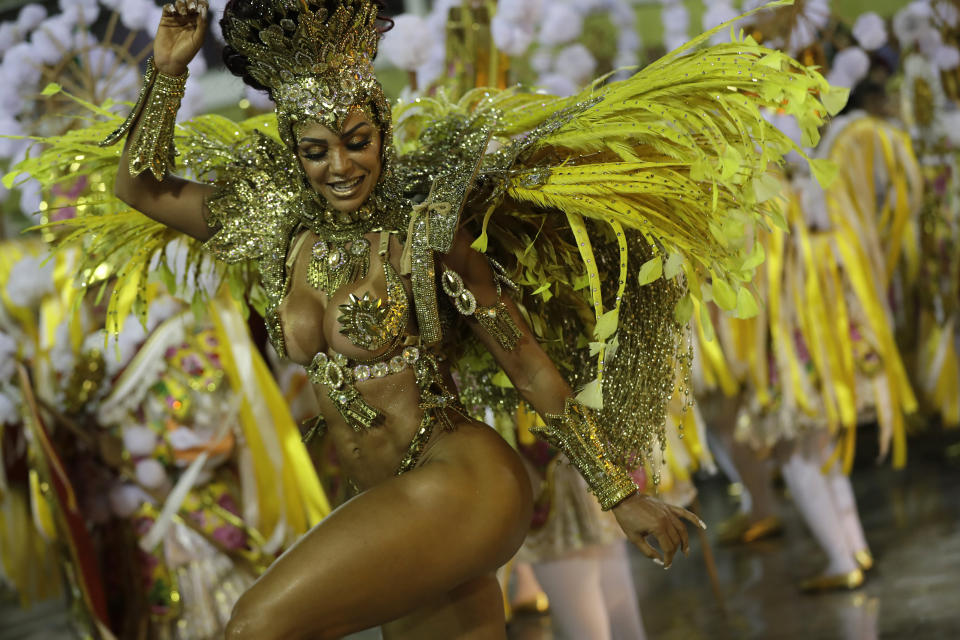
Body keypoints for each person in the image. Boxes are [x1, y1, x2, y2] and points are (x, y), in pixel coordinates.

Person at [16, 0, 842, 636]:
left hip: (461, 481)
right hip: (391, 496)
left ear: (380, 126)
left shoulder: (426, 227)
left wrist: (617, 492)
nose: (341, 166)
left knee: (254, 626)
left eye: (357, 140)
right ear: (294, 153)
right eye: (316, 150)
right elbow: (137, 187)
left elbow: (524, 363)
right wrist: (168, 67)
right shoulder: (270, 228)